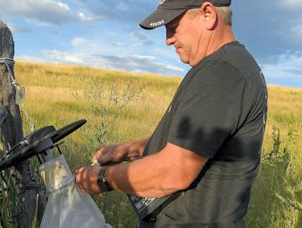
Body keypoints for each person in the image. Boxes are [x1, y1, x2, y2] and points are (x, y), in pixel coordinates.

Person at [75, 0, 267, 227]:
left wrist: (102, 179)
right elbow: (194, 143)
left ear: (208, 14)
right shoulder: (222, 67)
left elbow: (174, 171)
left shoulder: (223, 72)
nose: (168, 40)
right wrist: (129, 149)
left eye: (173, 26)